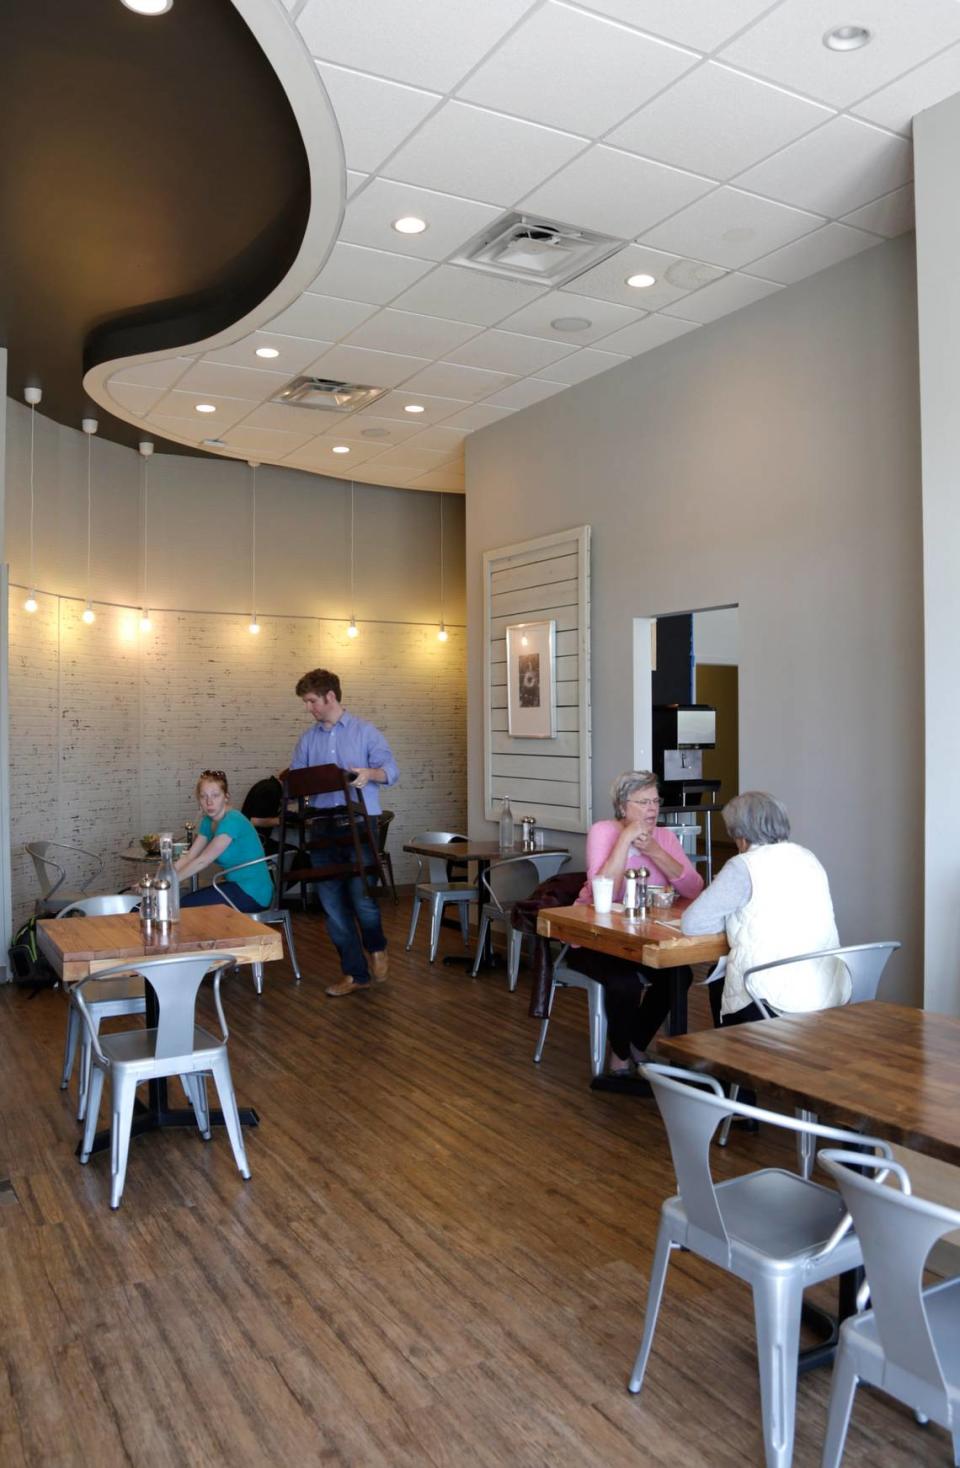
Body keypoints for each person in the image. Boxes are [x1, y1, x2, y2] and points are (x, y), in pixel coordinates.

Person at [574, 770, 704, 1075]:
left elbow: (694, 889)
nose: (652, 809)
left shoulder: (665, 837)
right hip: (596, 936)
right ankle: (619, 1057)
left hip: (644, 936)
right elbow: (602, 893)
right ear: (622, 806)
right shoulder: (603, 831)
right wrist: (625, 841)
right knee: (624, 983)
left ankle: (635, 1044)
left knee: (678, 977)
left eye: (656, 801)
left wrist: (655, 851)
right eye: (643, 802)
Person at [681, 790, 847, 1025]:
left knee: (719, 979)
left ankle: (730, 1058)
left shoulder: (743, 866)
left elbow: (693, 924)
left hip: (772, 996)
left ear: (741, 835)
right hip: (827, 988)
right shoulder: (807, 856)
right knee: (719, 979)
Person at [289, 668, 398, 997]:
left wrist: (369, 773)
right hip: (321, 826)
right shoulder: (307, 740)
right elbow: (296, 782)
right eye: (306, 702)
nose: (309, 708)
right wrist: (301, 792)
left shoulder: (365, 732)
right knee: (333, 907)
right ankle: (355, 974)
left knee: (362, 899)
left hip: (360, 825)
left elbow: (391, 771)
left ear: (330, 697)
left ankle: (376, 946)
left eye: (311, 701)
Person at [175, 770, 273, 911]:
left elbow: (203, 860)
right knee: (184, 902)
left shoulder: (232, 820)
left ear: (226, 797)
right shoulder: (208, 821)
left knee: (185, 905)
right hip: (235, 886)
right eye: (204, 796)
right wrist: (158, 879)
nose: (209, 802)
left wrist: (168, 883)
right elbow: (190, 856)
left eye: (215, 795)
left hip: (253, 892)